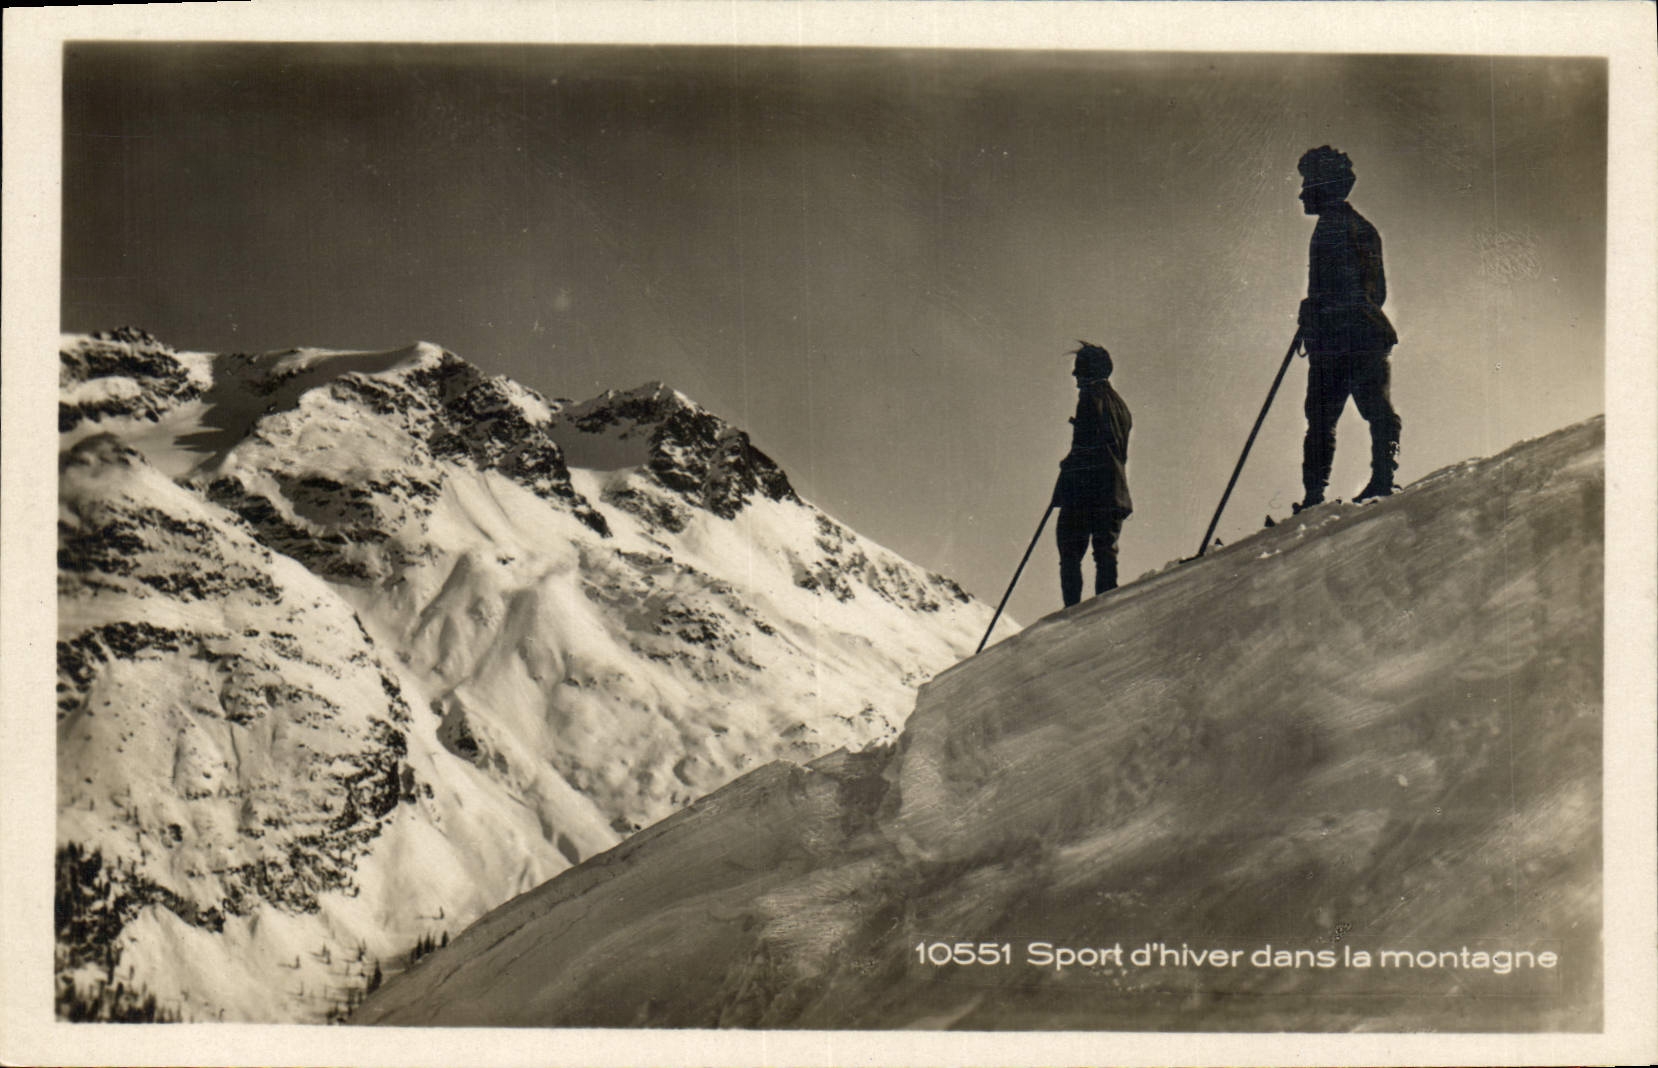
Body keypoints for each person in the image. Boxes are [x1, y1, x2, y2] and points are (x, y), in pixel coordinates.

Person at [1293, 145, 1401, 512]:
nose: (1302, 191)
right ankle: (1315, 495)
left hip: (1353, 336)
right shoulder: (1344, 227)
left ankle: (1381, 479)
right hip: (1338, 337)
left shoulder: (1344, 228)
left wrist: (1319, 308)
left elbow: (1368, 292)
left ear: (1326, 185)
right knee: (1323, 419)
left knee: (1368, 411)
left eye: (1308, 182)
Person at [1054, 342, 1132, 607]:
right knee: (1105, 554)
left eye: (1078, 371)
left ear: (1089, 372)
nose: (1075, 377)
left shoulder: (1090, 397)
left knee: (1070, 552)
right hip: (1115, 492)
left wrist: (1067, 471)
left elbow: (1086, 447)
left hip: (1087, 491)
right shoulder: (1122, 406)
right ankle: (1106, 610)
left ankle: (1071, 614)